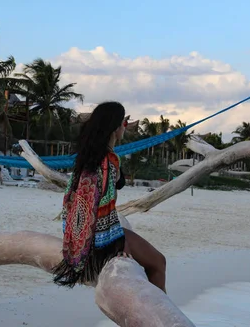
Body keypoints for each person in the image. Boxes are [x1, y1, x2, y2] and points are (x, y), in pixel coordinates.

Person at [52, 101, 167, 292]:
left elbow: (76, 202)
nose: (125, 127)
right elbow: (104, 206)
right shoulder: (108, 162)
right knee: (158, 263)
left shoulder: (86, 157)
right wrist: (117, 245)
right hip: (102, 238)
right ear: (115, 127)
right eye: (123, 123)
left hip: (79, 235)